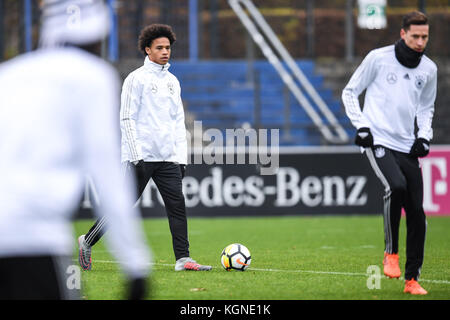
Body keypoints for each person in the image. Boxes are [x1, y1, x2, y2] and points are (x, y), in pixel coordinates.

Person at [0, 0, 151, 299]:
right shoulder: (93, 77)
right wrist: (135, 265)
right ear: (99, 34)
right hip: (36, 239)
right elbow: (107, 175)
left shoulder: (10, 73)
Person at [78, 24, 212, 272]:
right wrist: (136, 155)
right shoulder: (135, 79)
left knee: (177, 207)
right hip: (139, 158)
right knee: (121, 206)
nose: (165, 52)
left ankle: (183, 259)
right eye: (159, 47)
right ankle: (87, 241)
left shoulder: (173, 81)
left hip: (168, 158)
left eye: (168, 47)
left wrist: (181, 158)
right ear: (147, 49)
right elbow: (126, 118)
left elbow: (177, 122)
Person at [342, 11, 437, 295]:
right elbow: (350, 91)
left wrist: (424, 136)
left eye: (425, 37)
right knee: (395, 186)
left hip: (407, 146)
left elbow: (426, 108)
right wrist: (362, 127)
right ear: (403, 34)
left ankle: (412, 280)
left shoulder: (429, 69)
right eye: (416, 36)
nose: (421, 42)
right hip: (378, 141)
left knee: (418, 214)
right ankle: (390, 253)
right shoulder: (378, 58)